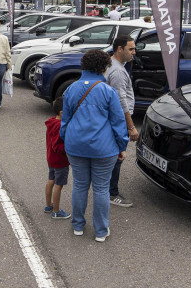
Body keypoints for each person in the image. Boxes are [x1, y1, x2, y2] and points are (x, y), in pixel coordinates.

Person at [60, 49, 128, 242]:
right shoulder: (108, 91)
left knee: (80, 186)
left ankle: (78, 226)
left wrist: (66, 140)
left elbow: (65, 120)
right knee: (101, 188)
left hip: (76, 145)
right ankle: (100, 231)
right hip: (104, 148)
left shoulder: (72, 88)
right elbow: (118, 123)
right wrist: (121, 146)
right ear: (103, 67)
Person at [105, 35, 138, 208]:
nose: (134, 52)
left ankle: (105, 188)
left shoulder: (114, 64)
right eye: (130, 49)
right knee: (118, 156)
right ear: (120, 49)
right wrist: (131, 126)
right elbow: (120, 100)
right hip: (118, 121)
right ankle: (111, 193)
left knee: (112, 155)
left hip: (113, 120)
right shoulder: (117, 71)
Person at [44, 96, 71, 220]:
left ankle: (49, 205)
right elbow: (57, 146)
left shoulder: (52, 122)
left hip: (51, 158)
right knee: (59, 185)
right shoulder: (60, 126)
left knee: (51, 180)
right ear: (62, 112)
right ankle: (56, 211)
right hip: (60, 160)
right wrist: (69, 148)